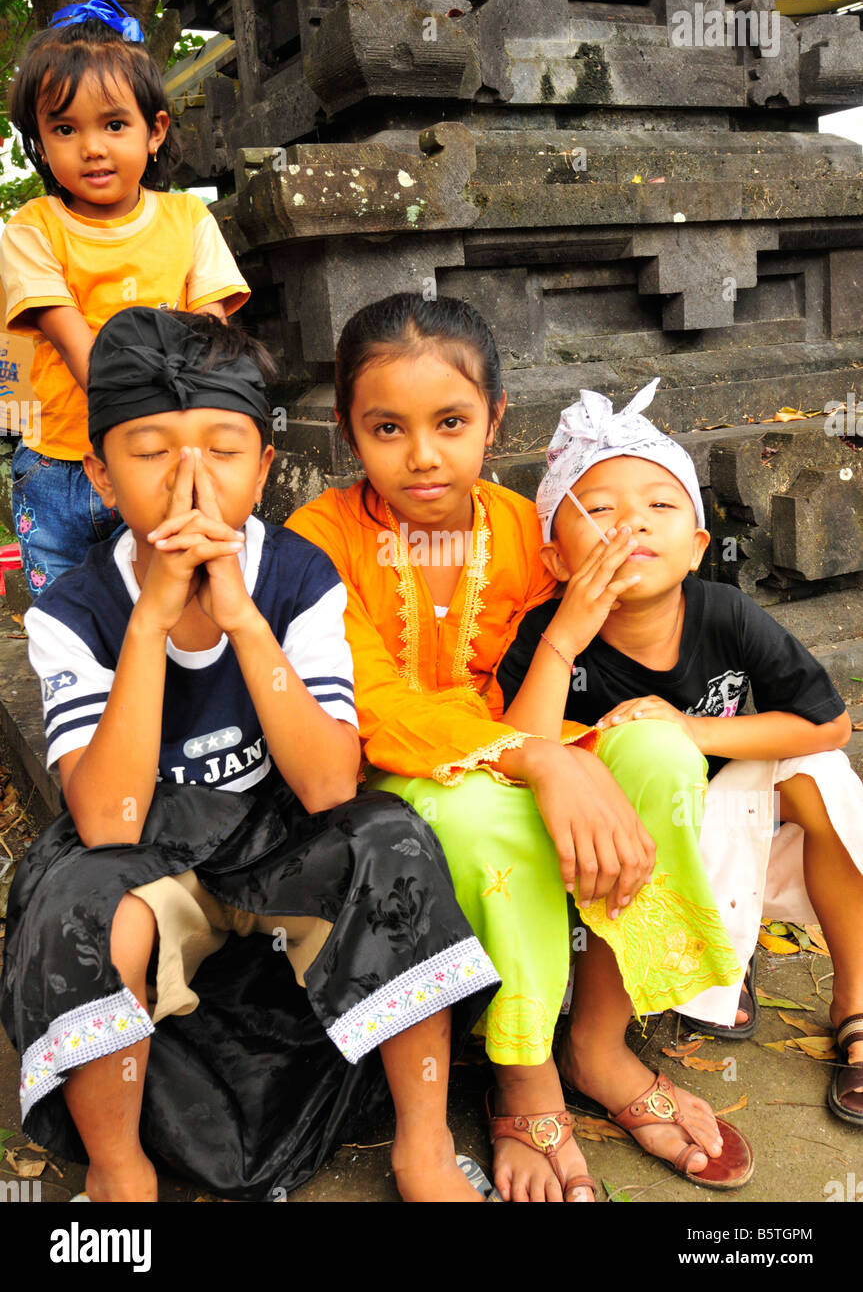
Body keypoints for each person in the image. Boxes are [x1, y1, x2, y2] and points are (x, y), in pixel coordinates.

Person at [0, 306, 501, 1203]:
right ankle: (121, 1176)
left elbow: (327, 784)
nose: (190, 481)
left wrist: (240, 617)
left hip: (274, 837)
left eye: (222, 450)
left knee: (388, 839)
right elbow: (108, 819)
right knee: (77, 904)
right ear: (101, 478)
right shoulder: (72, 610)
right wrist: (152, 618)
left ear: (264, 468)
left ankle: (423, 1149)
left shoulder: (299, 576)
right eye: (151, 452)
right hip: (146, 852)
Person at [288, 293, 750, 1201]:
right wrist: (538, 761)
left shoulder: (522, 526)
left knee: (657, 754)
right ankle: (523, 1069)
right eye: (388, 427)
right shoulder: (319, 539)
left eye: (450, 422)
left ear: (494, 420)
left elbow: (593, 635)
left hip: (531, 734)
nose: (422, 455)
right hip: (401, 765)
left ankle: (597, 1044)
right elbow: (372, 700)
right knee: (485, 819)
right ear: (348, 433)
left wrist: (590, 732)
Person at [497, 376, 863, 1131]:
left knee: (820, 776)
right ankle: (708, 966)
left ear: (697, 545)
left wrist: (694, 731)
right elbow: (517, 753)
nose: (631, 524)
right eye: (598, 511)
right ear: (556, 559)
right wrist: (565, 635)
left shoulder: (724, 613)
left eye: (660, 507)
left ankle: (854, 1002)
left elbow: (827, 726)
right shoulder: (544, 635)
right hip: (612, 857)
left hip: (727, 824)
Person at [0, 0, 249, 595]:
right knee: (66, 613)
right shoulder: (31, 229)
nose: (92, 147)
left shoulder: (189, 219)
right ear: (39, 138)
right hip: (58, 465)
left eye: (114, 124)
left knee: (174, 599)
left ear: (154, 130)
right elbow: (72, 342)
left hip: (164, 458)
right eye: (64, 128)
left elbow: (207, 343)